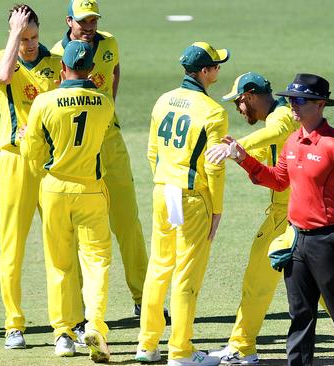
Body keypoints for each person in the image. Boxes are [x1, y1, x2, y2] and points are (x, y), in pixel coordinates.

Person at [205, 72, 334, 364]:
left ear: (320, 104)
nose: (293, 106)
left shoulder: (331, 144)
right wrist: (241, 158)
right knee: (300, 315)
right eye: (290, 99)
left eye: (300, 100)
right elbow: (277, 180)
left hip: (328, 239)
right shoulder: (293, 142)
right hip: (297, 236)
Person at [51, 0, 151, 319]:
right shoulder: (57, 54)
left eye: (93, 19)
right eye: (83, 20)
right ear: (69, 21)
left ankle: (143, 298)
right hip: (78, 150)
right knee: (80, 233)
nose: (90, 25)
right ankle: (80, 312)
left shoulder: (109, 43)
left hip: (110, 140)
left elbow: (115, 69)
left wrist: (111, 106)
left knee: (128, 223)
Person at [134, 41, 229, 366]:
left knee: (159, 268)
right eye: (216, 65)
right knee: (187, 274)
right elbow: (215, 165)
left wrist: (165, 180)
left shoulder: (163, 101)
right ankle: (181, 350)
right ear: (204, 72)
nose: (218, 69)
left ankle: (147, 345)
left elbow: (152, 152)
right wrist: (216, 208)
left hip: (163, 191)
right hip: (192, 196)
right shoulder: (213, 111)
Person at [20, 40, 114, 362]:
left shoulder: (44, 102)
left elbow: (32, 153)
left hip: (55, 189)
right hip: (91, 189)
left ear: (63, 69)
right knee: (97, 261)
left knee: (59, 264)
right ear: (91, 70)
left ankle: (62, 334)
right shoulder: (104, 103)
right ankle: (95, 325)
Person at [0, 4, 64, 349]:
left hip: (49, 165)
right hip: (15, 161)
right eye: (24, 37)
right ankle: (13, 324)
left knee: (59, 246)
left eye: (34, 37)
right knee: (13, 246)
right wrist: (14, 36)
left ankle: (64, 326)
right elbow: (3, 77)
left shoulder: (54, 63)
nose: (30, 44)